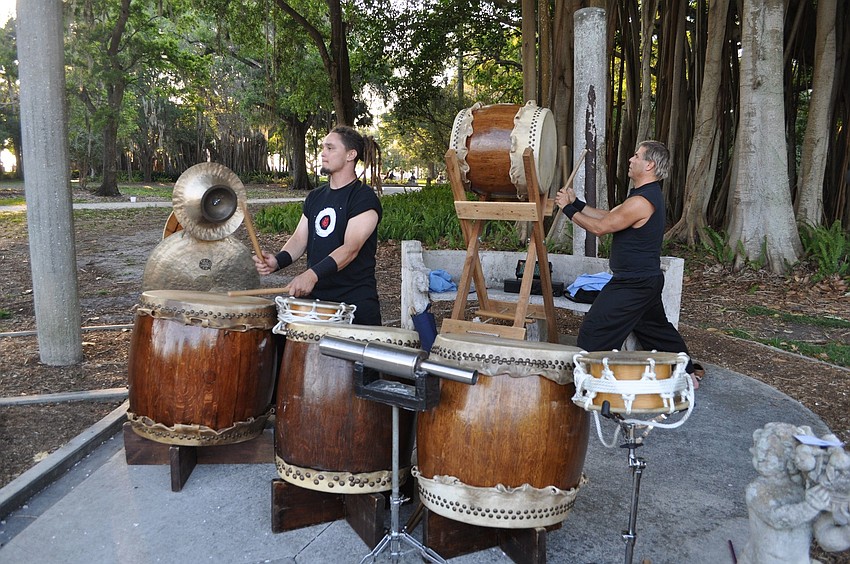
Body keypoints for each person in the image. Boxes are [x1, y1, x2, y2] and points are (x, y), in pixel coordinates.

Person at [555, 140, 702, 384]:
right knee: (657, 331)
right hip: (643, 279)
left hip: (633, 283)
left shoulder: (642, 201)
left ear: (649, 165)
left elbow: (601, 227)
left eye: (636, 156)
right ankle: (686, 373)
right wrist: (576, 203)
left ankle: (591, 383)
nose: (631, 159)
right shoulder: (641, 197)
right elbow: (611, 216)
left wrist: (568, 211)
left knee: (595, 330)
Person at [253, 125, 382, 326]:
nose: (323, 153)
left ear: (351, 155)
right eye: (323, 148)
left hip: (353, 305)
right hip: (316, 304)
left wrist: (311, 275)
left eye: (330, 148)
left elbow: (350, 249)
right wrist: (277, 262)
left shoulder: (363, 198)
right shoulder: (316, 196)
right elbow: (299, 239)